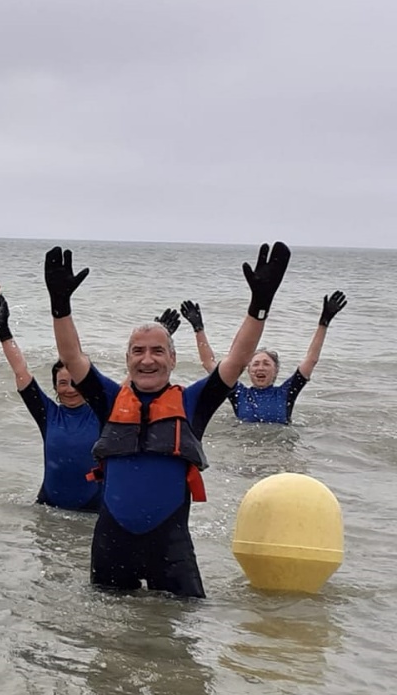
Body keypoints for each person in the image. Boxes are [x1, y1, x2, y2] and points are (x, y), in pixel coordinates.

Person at [47, 241, 291, 598]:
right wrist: (60, 306)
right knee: (105, 639)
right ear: (128, 358)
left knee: (181, 639)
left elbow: (236, 361)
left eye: (158, 350)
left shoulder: (193, 402)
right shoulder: (110, 398)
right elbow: (71, 356)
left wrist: (259, 305)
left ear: (173, 359)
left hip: (170, 547)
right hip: (112, 544)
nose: (148, 359)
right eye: (139, 351)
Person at [0, 287, 101, 511]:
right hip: (48, 508)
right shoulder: (48, 413)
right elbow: (20, 371)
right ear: (55, 388)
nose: (70, 389)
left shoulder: (103, 410)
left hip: (93, 511)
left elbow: (132, 383)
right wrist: (3, 330)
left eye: (75, 382)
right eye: (62, 383)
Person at [178, 293, 347, 424]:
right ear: (248, 370)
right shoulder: (237, 393)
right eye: (256, 364)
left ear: (275, 371)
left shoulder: (287, 392)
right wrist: (198, 328)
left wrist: (323, 323)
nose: (260, 368)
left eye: (266, 364)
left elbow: (311, 360)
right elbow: (209, 364)